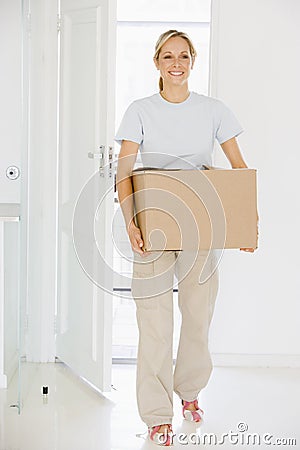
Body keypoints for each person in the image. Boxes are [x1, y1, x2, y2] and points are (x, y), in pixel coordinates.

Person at [115, 30, 256, 446]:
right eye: (167, 56)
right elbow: (124, 173)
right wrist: (130, 223)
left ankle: (190, 392)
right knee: (153, 322)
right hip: (154, 225)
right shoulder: (139, 110)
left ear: (192, 62)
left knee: (197, 317)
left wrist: (247, 223)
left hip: (201, 225)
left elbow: (239, 169)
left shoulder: (213, 111)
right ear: (156, 62)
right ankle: (157, 414)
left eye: (183, 56)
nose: (176, 63)